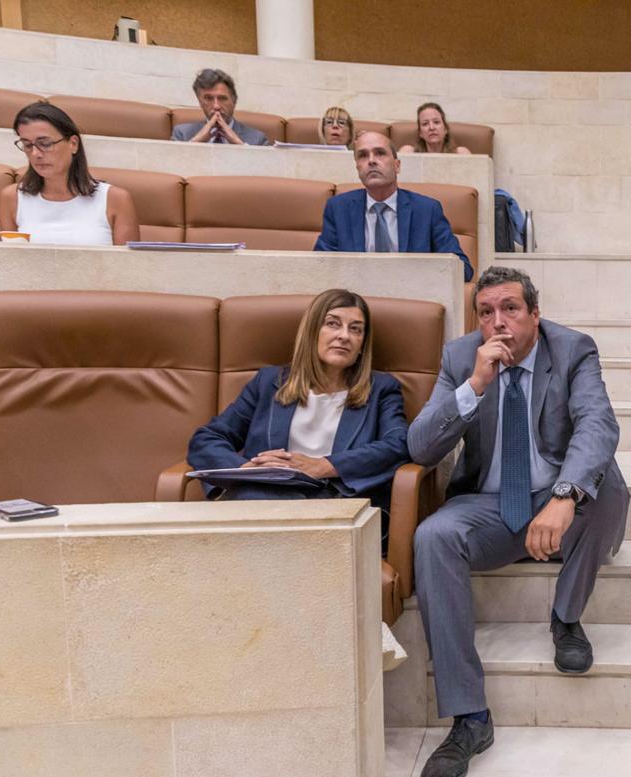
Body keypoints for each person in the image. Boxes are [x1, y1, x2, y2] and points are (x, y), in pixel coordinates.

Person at [407, 266, 629, 777]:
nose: (498, 322)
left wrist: (564, 495)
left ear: (535, 312)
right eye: (486, 312)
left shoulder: (572, 349)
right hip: (488, 505)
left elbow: (600, 425)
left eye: (510, 308)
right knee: (433, 536)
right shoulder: (462, 358)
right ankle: (469, 719)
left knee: (608, 486)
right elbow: (420, 446)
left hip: (555, 500)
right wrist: (475, 385)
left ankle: (566, 618)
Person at [187, 289, 409, 507]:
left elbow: (397, 445)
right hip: (264, 497)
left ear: (362, 345)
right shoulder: (269, 382)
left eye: (356, 329)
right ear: (311, 332)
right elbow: (207, 439)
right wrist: (246, 469)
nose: (344, 336)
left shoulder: (381, 388)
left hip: (336, 500)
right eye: (332, 323)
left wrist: (325, 465)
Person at [315, 130, 474, 281]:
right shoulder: (338, 209)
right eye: (363, 156)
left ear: (397, 165)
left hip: (411, 299)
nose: (371, 160)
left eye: (380, 153)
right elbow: (319, 267)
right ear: (358, 168)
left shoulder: (427, 210)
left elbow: (462, 269)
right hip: (355, 300)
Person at [0, 102, 138, 246]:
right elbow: (11, 264)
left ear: (73, 144)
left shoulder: (116, 200)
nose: (35, 154)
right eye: (27, 145)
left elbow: (129, 266)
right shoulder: (11, 198)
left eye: (45, 143)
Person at [171, 68, 270, 146]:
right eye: (208, 98)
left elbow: (267, 169)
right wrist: (195, 143)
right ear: (200, 102)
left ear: (234, 100)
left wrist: (240, 145)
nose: (216, 106)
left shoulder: (258, 139)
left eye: (222, 98)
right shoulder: (181, 134)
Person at [398, 102, 470, 155]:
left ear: (446, 129)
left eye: (436, 122)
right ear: (420, 133)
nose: (431, 128)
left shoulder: (460, 153)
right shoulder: (409, 153)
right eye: (425, 124)